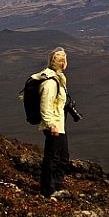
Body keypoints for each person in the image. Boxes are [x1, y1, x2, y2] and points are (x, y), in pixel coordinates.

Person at [33, 47, 71, 198]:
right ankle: (48, 189)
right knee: (52, 157)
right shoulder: (50, 82)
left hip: (58, 125)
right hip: (53, 126)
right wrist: (51, 125)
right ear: (62, 63)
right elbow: (46, 105)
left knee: (62, 156)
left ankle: (56, 185)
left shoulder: (59, 78)